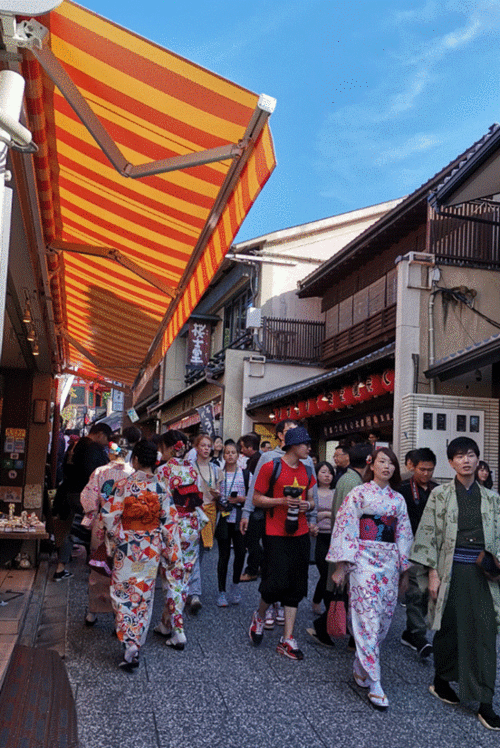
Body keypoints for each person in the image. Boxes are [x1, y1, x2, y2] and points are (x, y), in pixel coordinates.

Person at [411, 437, 500, 730]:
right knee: (450, 628)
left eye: (471, 455)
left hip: (483, 574)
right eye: (459, 456)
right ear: (450, 462)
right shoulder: (440, 495)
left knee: (484, 633)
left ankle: (485, 702)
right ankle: (441, 680)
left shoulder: (492, 499)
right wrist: (433, 572)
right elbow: (428, 534)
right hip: (450, 571)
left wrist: (495, 562)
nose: (466, 460)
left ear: (478, 460)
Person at [327, 447, 413, 710]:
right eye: (382, 462)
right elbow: (346, 527)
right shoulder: (359, 493)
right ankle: (376, 682)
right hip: (363, 560)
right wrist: (342, 566)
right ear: (371, 466)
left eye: (391, 463)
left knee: (384, 619)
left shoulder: (398, 499)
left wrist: (404, 570)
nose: (387, 467)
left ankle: (360, 664)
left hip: (388, 562)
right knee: (368, 617)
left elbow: (404, 534)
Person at [102, 439, 181, 671]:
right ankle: (136, 641)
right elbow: (170, 524)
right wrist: (171, 554)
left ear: (134, 459)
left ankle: (130, 642)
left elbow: (110, 518)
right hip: (150, 550)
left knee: (123, 595)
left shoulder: (123, 485)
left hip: (127, 550)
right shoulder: (161, 488)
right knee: (143, 597)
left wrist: (115, 541)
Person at [248, 426, 316, 661]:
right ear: (294, 445)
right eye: (306, 443)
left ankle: (287, 639)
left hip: (301, 531)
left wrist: (309, 506)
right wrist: (281, 501)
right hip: (275, 531)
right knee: (275, 582)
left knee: (296, 585)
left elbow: (312, 499)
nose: (309, 448)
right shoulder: (271, 466)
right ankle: (259, 615)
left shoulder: (308, 470)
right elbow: (256, 498)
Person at [307, 443, 372, 648]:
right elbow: (349, 520)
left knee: (347, 594)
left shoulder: (347, 478)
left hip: (343, 544)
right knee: (345, 594)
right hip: (348, 547)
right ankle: (325, 628)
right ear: (369, 461)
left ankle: (348, 636)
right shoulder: (353, 482)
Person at [154, 429, 207, 649]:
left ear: (167, 447)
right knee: (183, 576)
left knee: (171, 578)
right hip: (192, 525)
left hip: (172, 527)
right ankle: (166, 623)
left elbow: (158, 504)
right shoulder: (191, 469)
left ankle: (178, 631)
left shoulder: (163, 471)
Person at [80, 443, 133, 626]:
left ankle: (93, 611)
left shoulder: (100, 472)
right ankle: (118, 613)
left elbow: (90, 496)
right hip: (125, 526)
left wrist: (90, 516)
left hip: (102, 523)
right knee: (121, 569)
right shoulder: (133, 474)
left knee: (98, 565)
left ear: (111, 454)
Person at [52, 422, 112, 581]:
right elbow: (95, 474)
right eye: (107, 439)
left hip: (71, 492)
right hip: (85, 495)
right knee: (80, 529)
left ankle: (67, 566)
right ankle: (66, 566)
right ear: (100, 434)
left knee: (78, 528)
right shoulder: (92, 448)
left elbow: (64, 467)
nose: (107, 443)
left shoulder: (75, 445)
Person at [399, 447, 437, 658]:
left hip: (431, 549)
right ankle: (418, 636)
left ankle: (410, 632)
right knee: (416, 591)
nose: (426, 474)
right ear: (412, 467)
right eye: (422, 469)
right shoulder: (403, 488)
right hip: (410, 547)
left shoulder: (437, 490)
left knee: (425, 593)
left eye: (430, 470)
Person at [187, 433, 223, 613]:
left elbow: (220, 490)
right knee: (192, 549)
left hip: (210, 511)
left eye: (209, 445)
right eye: (203, 445)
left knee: (200, 551)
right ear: (196, 448)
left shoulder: (216, 469)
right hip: (193, 511)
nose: (206, 448)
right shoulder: (189, 468)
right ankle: (194, 594)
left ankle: (189, 588)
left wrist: (219, 494)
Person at [214, 441, 248, 607]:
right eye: (227, 452)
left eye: (233, 452)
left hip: (240, 518)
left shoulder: (246, 474)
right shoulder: (219, 474)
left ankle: (235, 585)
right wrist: (220, 501)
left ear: (238, 455)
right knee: (224, 556)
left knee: (241, 553)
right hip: (224, 517)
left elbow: (253, 497)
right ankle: (221, 592)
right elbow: (214, 494)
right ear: (223, 455)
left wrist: (240, 499)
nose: (230, 455)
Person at [311, 461, 335, 615]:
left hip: (333, 536)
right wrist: (328, 515)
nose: (327, 476)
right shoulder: (313, 493)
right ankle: (318, 601)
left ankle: (323, 603)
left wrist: (323, 515)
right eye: (323, 472)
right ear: (317, 474)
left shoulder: (337, 492)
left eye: (330, 472)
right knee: (325, 572)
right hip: (318, 536)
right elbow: (311, 515)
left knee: (331, 573)